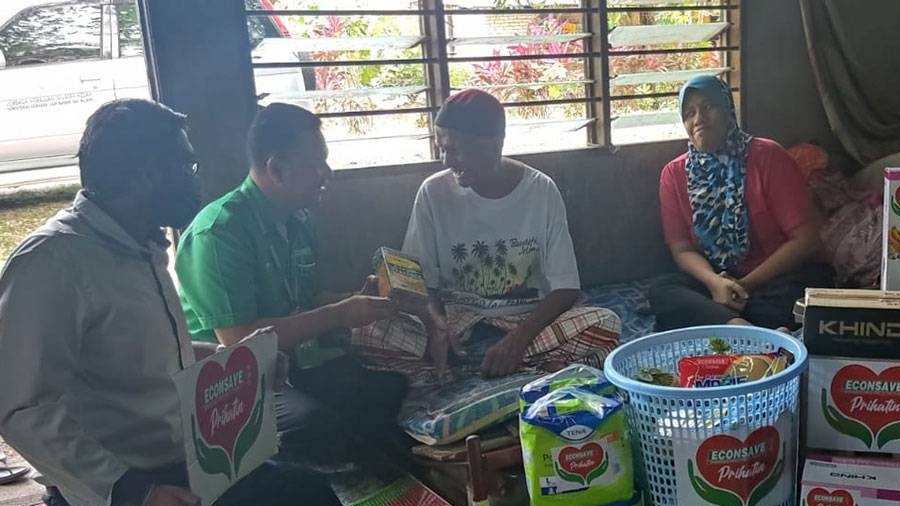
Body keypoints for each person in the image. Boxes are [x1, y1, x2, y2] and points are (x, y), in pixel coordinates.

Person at [0, 99, 351, 506]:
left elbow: (157, 351)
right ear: (144, 174)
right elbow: (19, 407)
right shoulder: (52, 263)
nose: (198, 176)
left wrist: (246, 362)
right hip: (115, 490)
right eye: (185, 166)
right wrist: (138, 497)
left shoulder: (142, 243)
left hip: (188, 464)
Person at [174, 103, 409, 467]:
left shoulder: (298, 219)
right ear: (277, 169)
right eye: (316, 163)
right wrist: (338, 315)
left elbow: (306, 299)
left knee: (385, 390)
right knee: (313, 424)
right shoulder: (219, 232)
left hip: (292, 359)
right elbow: (238, 341)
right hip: (229, 378)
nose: (326, 174)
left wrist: (355, 302)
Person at [354, 89, 621, 383]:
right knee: (367, 334)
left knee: (605, 324)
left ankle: (456, 373)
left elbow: (565, 288)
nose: (446, 160)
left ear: (495, 144)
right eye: (442, 148)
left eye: (456, 150)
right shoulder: (433, 193)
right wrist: (436, 325)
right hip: (457, 320)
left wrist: (517, 340)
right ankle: (515, 372)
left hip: (526, 321)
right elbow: (421, 281)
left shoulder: (540, 190)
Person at [648, 75, 832, 331]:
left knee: (806, 298)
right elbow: (682, 249)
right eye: (689, 113)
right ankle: (743, 329)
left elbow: (806, 239)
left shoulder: (767, 156)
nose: (698, 119)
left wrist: (743, 285)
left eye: (708, 107)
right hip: (718, 284)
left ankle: (724, 325)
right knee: (662, 291)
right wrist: (715, 283)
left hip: (776, 278)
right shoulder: (674, 174)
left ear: (728, 110)